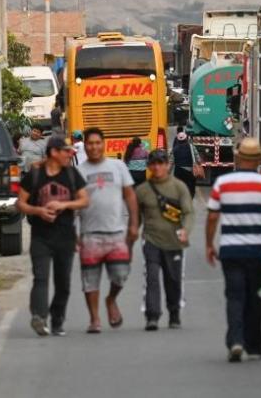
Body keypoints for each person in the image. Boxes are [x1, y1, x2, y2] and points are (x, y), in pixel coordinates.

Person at [205, 138, 261, 362]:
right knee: (255, 297)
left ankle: (236, 341)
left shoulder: (222, 183)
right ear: (259, 159)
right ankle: (255, 346)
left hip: (230, 251)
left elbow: (212, 217)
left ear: (238, 158)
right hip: (258, 251)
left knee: (234, 296)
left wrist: (209, 244)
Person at [16, 136, 89, 337]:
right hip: (41, 236)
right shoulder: (36, 175)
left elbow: (84, 200)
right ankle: (39, 317)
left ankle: (57, 321)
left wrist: (64, 205)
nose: (70, 154)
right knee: (41, 277)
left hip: (66, 236)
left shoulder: (72, 174)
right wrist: (38, 211)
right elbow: (20, 203)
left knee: (63, 282)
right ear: (54, 152)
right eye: (66, 151)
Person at [76, 128, 139, 333]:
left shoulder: (118, 166)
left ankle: (111, 299)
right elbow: (73, 204)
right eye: (90, 143)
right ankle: (94, 319)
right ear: (85, 146)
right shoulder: (79, 172)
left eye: (97, 143)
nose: (94, 147)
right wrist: (72, 233)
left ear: (104, 144)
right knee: (90, 280)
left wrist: (133, 224)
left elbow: (130, 195)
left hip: (116, 232)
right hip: (90, 234)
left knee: (121, 274)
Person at [136, 149, 194, 331]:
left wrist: (186, 230)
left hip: (174, 242)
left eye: (161, 163)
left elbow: (189, 212)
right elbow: (136, 218)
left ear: (168, 165)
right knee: (152, 278)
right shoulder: (142, 190)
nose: (157, 167)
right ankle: (152, 316)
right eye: (153, 163)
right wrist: (129, 238)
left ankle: (174, 313)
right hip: (151, 240)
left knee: (173, 278)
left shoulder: (179, 187)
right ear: (149, 167)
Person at [171, 132, 200, 197]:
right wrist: (199, 164)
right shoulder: (192, 147)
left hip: (178, 171)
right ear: (186, 138)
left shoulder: (175, 149)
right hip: (190, 171)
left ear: (178, 140)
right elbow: (197, 157)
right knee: (191, 186)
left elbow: (171, 161)